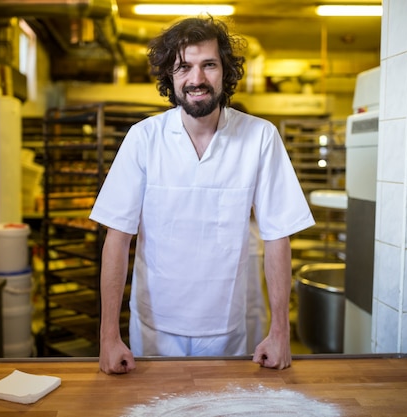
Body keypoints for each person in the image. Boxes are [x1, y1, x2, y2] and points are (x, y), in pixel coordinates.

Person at [89, 16, 314, 374]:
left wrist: (280, 331)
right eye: (184, 67)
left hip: (230, 329)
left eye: (209, 65)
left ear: (226, 72)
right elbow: (116, 238)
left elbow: (278, 236)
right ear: (170, 76)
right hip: (154, 329)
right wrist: (108, 338)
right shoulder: (143, 139)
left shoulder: (260, 137)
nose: (197, 79)